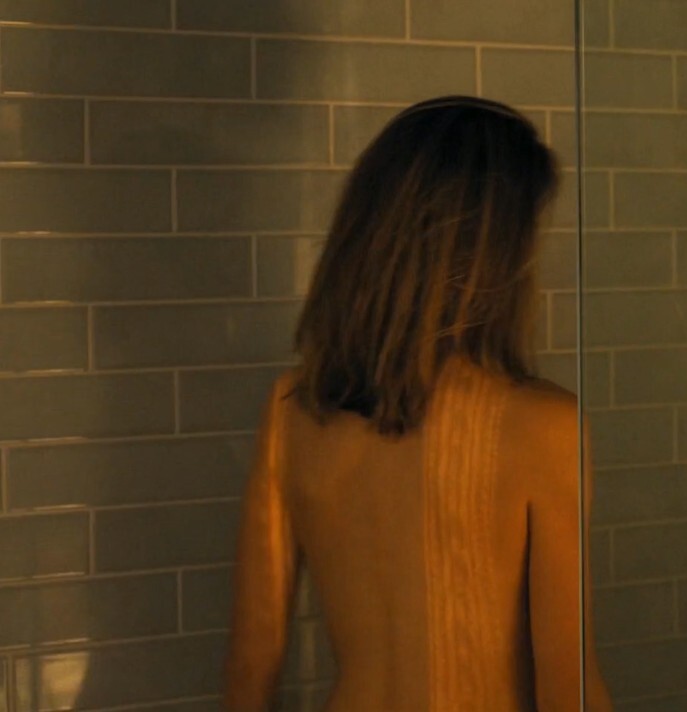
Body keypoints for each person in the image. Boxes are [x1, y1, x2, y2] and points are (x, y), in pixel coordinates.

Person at [223, 95, 612, 712]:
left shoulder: (294, 410)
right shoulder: (543, 427)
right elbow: (569, 687)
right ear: (496, 253)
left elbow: (251, 665)